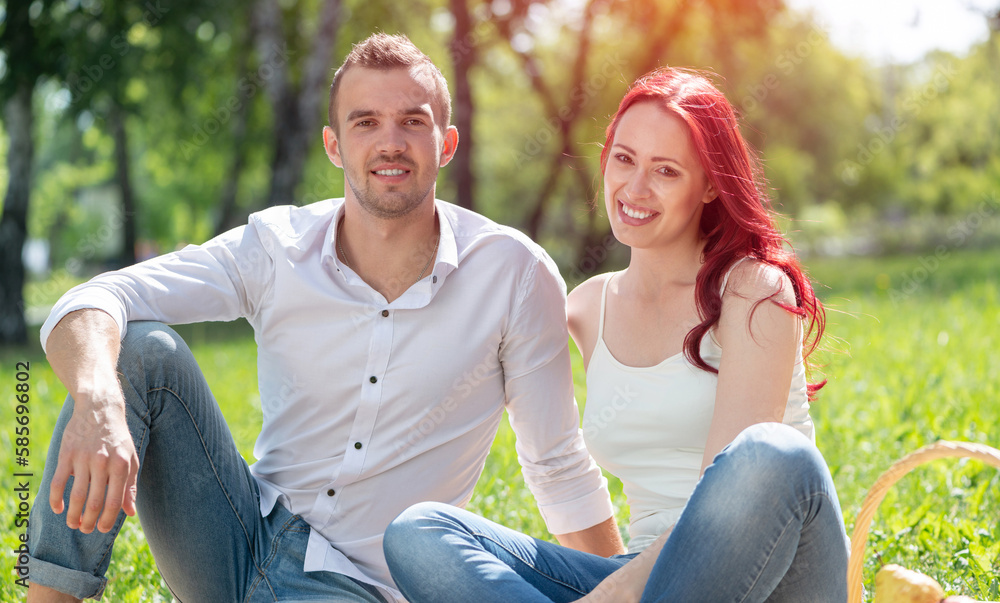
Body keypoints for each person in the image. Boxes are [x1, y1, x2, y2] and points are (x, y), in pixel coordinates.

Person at [26, 33, 624, 603]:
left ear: (446, 143)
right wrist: (98, 400)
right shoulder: (275, 247)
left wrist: (624, 589)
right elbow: (88, 302)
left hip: (364, 587)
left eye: (412, 121)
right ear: (334, 144)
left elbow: (556, 464)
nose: (390, 143)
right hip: (235, 541)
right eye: (366, 122)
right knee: (139, 354)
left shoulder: (513, 273)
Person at [383, 67, 850, 602]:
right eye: (624, 159)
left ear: (711, 186)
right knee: (419, 532)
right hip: (642, 578)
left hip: (774, 576)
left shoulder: (752, 291)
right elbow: (540, 447)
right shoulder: (586, 307)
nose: (635, 187)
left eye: (667, 171)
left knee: (772, 454)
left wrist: (613, 596)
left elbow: (719, 505)